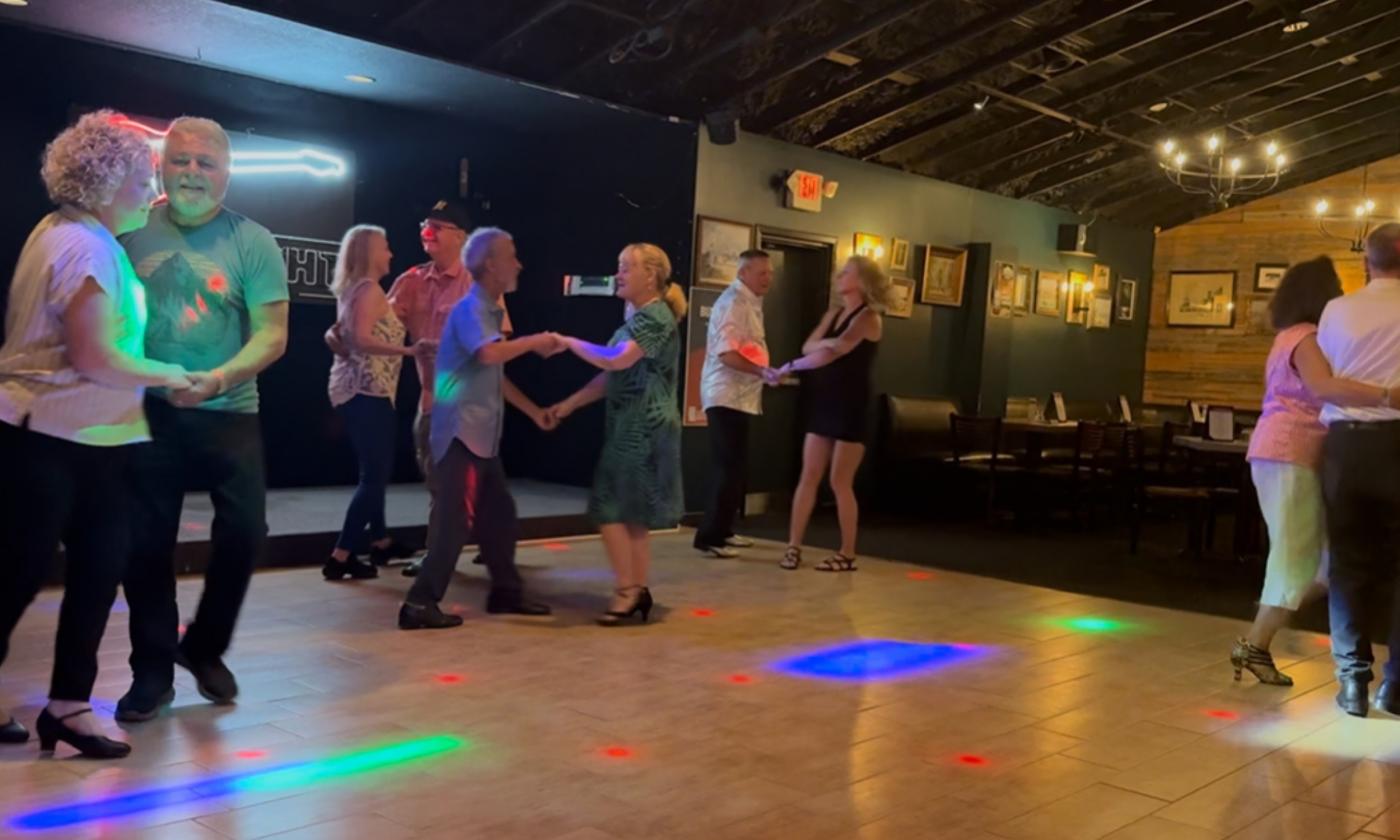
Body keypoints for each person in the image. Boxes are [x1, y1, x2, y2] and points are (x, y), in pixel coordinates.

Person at [0, 111, 192, 758]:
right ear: (109, 182)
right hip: (51, 437)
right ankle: (68, 706)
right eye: (144, 178)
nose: (153, 192)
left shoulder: (62, 234)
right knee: (20, 573)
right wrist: (172, 373)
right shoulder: (83, 247)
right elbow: (93, 356)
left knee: (96, 569)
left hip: (94, 439)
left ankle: (70, 707)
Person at [117, 116, 290, 722]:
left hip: (231, 411)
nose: (192, 172)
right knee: (144, 547)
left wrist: (218, 380)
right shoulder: (129, 232)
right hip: (150, 414)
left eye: (205, 163)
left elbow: (273, 336)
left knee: (246, 534)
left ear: (227, 173)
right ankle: (152, 673)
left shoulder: (254, 241)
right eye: (181, 160)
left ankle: (204, 646)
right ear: (162, 165)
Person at [327, 200, 513, 575]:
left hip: (473, 403)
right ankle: (438, 554)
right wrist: (337, 331)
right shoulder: (411, 281)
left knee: (483, 487)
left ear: (460, 238)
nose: (427, 232)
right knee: (439, 483)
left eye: (438, 227)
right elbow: (374, 321)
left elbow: (500, 340)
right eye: (425, 224)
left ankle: (485, 551)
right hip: (433, 403)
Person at [1236, 256, 1387, 685]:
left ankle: (1262, 635)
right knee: (1295, 558)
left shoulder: (1290, 335)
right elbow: (1323, 388)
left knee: (1316, 561)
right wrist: (1388, 395)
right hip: (1291, 450)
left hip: (1285, 451)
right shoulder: (1306, 338)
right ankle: (1255, 645)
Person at [400, 227, 555, 629]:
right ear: (491, 265)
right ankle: (419, 603)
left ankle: (505, 593)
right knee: (454, 523)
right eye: (512, 255)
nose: (518, 263)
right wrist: (536, 340)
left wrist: (533, 410)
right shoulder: (470, 309)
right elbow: (488, 354)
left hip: (478, 438)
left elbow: (494, 373)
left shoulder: (488, 310)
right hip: (457, 435)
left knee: (499, 515)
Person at [550, 243, 685, 626]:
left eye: (627, 267)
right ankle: (635, 590)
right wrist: (570, 404)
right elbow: (612, 376)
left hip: (643, 426)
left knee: (608, 506)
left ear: (651, 276)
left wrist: (567, 342)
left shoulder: (654, 317)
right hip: (633, 423)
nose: (619, 274)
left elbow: (616, 359)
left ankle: (627, 591)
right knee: (631, 515)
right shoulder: (639, 316)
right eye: (619, 266)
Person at [1318, 223, 1400, 718]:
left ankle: (1352, 683)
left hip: (1347, 448)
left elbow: (1326, 382)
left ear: (1365, 260)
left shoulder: (1338, 309)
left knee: (1348, 566)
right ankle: (1396, 687)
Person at [324, 225, 435, 581]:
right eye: (385, 247)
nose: (390, 253)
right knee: (375, 475)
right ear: (371, 252)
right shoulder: (368, 289)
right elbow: (358, 339)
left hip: (361, 391)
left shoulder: (359, 290)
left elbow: (341, 334)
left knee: (374, 472)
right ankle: (341, 556)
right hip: (366, 391)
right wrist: (409, 350)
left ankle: (381, 541)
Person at [769, 255, 887, 572]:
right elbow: (811, 346)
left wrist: (792, 364)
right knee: (808, 476)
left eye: (846, 273)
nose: (839, 277)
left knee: (839, 480)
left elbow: (833, 351)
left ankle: (847, 553)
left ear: (862, 280)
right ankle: (793, 547)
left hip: (852, 405)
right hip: (825, 401)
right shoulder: (833, 313)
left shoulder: (869, 318)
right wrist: (826, 343)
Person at [693, 249, 775, 558]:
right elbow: (726, 353)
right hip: (724, 394)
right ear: (743, 273)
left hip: (741, 397)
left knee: (737, 467)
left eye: (770, 273)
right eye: (761, 273)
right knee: (727, 467)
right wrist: (762, 371)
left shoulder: (751, 302)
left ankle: (724, 531)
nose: (768, 278)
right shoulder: (732, 303)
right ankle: (709, 537)